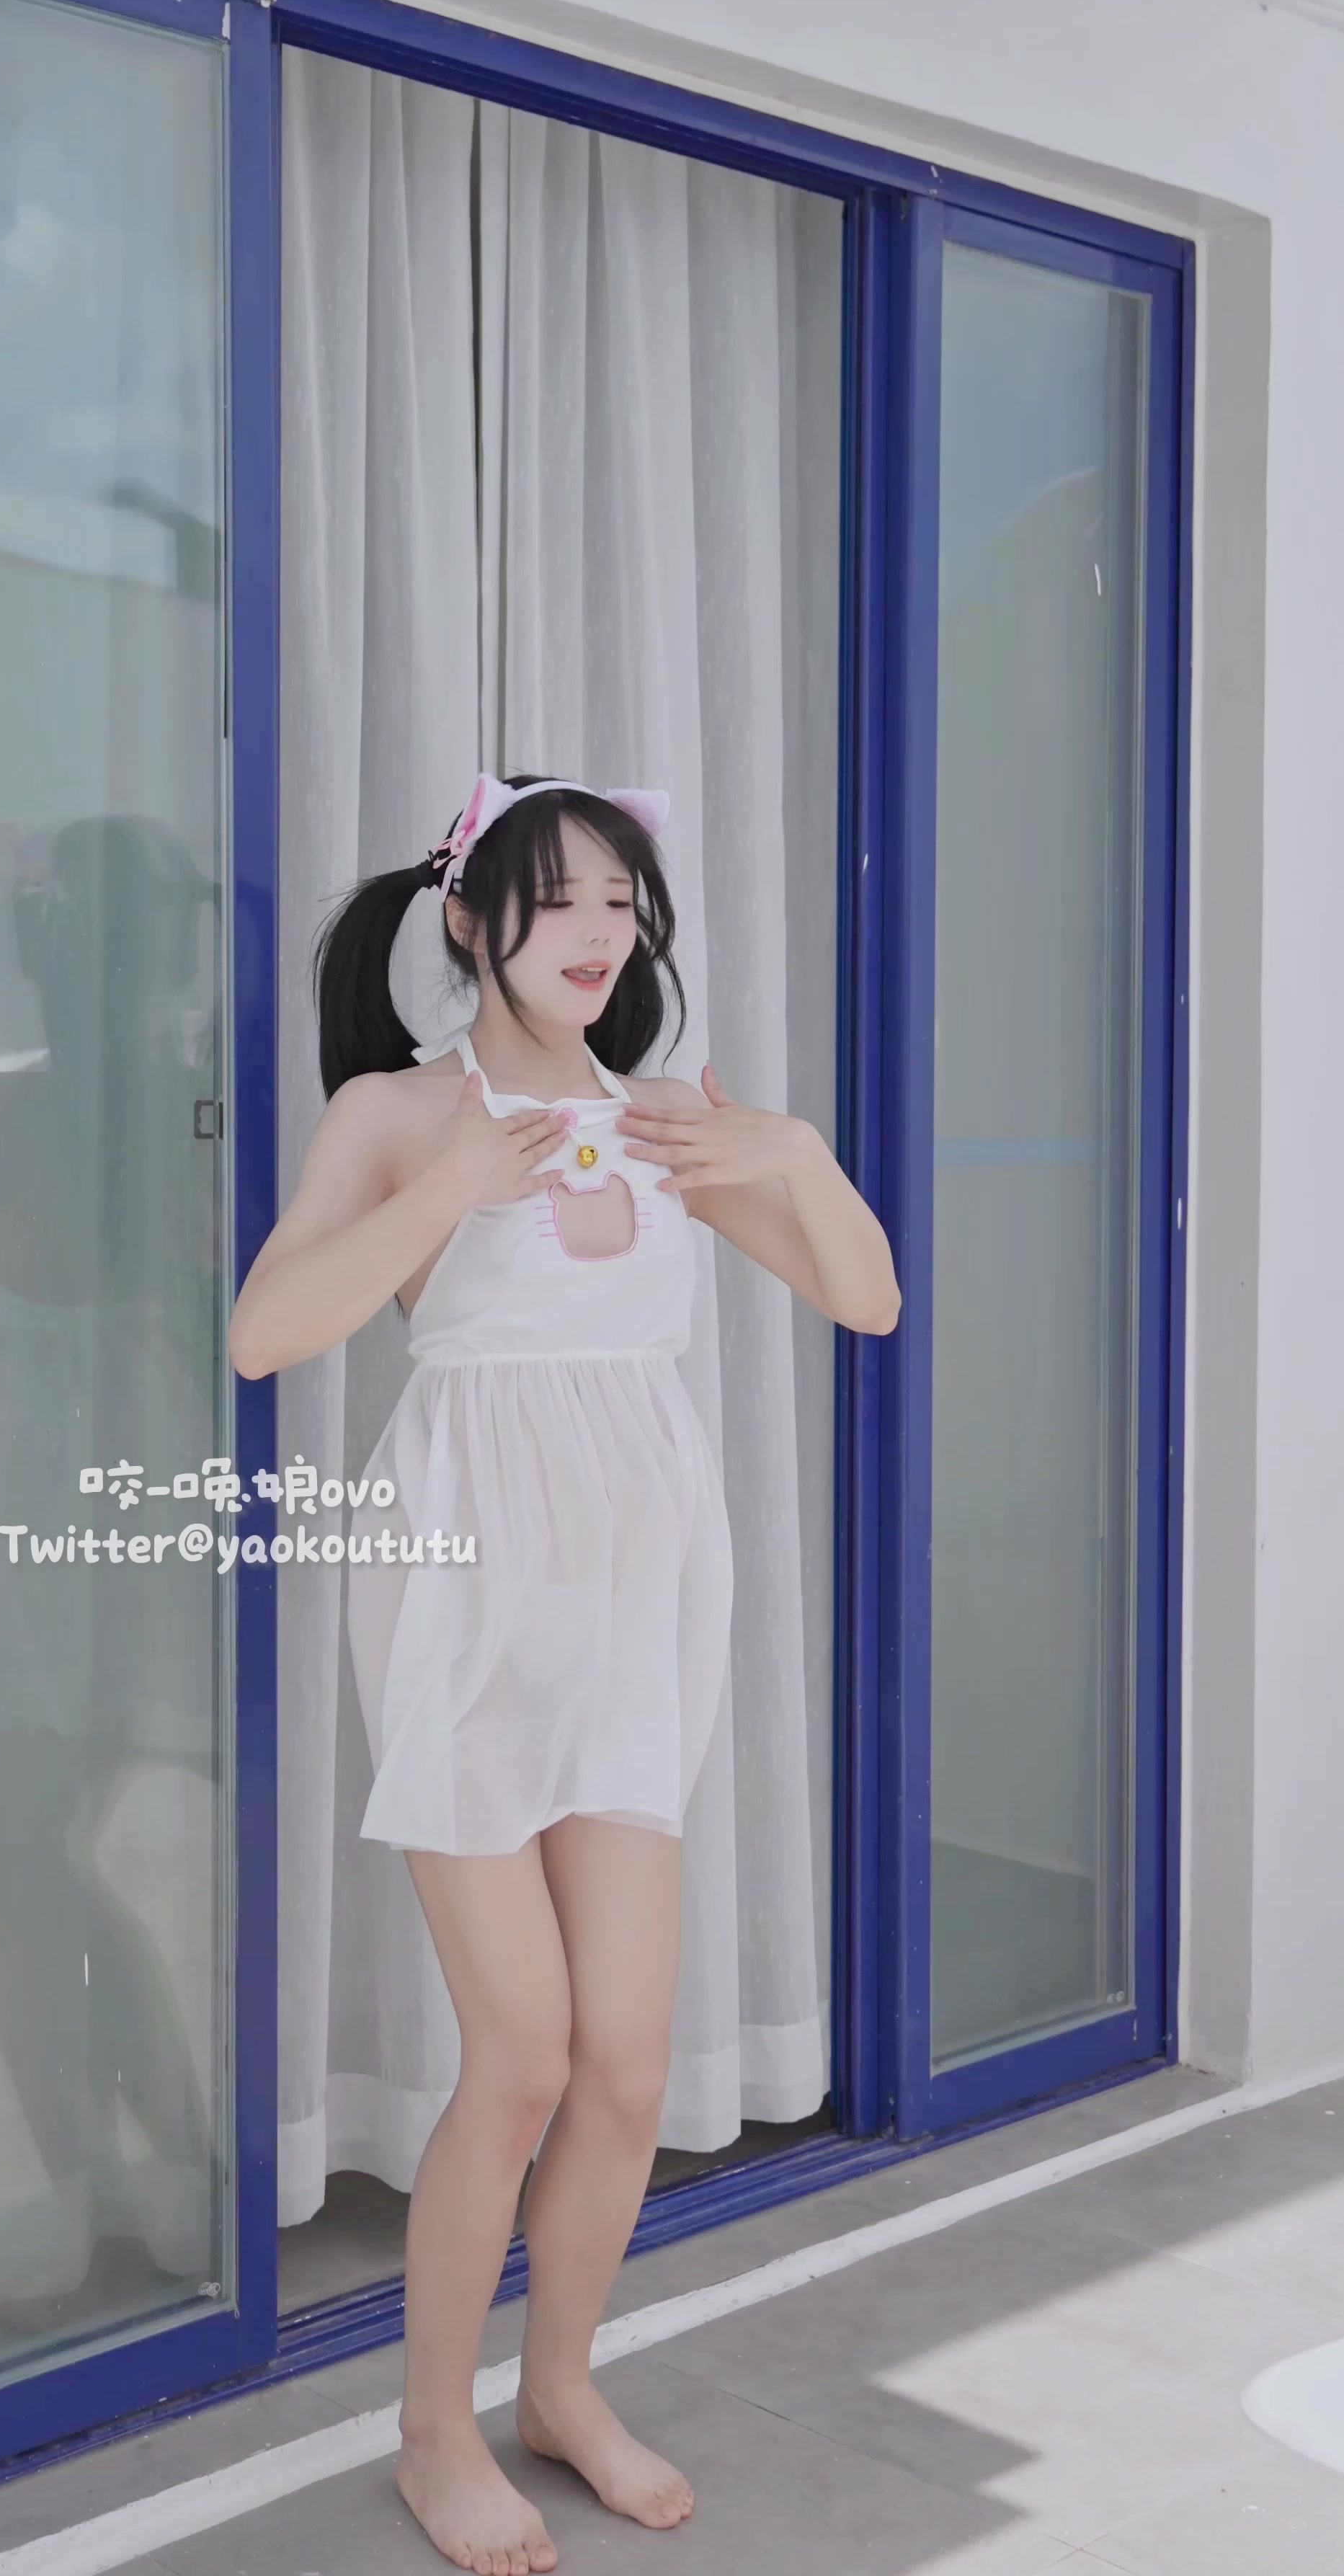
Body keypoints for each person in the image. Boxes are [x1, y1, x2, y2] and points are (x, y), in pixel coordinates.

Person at [228, 772, 899, 2576]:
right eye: (560, 900)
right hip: (465, 1589)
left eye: (623, 900)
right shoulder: (394, 1111)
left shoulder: (668, 1120)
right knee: (520, 2052)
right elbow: (267, 1332)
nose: (601, 934)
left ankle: (559, 2389)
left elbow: (867, 1299)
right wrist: (452, 1183)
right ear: (468, 921)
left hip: (635, 1595)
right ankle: (433, 2431)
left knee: (625, 2060)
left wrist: (796, 1153)